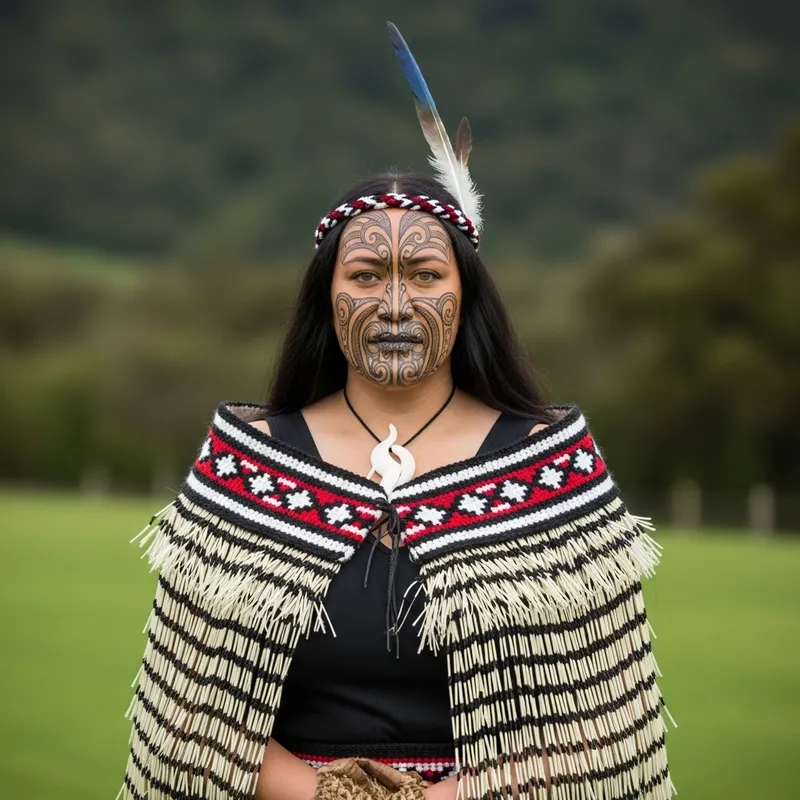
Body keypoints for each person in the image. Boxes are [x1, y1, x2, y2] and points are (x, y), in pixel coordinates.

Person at [121, 24, 674, 800]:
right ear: (326, 295)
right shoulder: (246, 459)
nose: (393, 304)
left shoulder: (553, 463)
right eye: (365, 273)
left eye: (422, 272)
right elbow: (186, 710)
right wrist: (326, 795)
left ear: (466, 294)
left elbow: (605, 717)